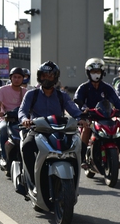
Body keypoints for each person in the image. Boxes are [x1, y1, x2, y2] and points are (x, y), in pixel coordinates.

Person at [17, 61, 86, 195]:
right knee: (26, 147)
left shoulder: (62, 95)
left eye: (50, 76)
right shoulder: (32, 94)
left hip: (59, 130)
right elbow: (22, 111)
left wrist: (81, 118)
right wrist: (25, 120)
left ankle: (73, 180)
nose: (47, 78)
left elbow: (74, 110)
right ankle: (31, 181)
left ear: (55, 77)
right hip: (38, 130)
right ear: (39, 76)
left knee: (81, 147)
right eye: (44, 75)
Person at [73, 58, 120, 166]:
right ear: (88, 73)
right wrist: (84, 109)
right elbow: (77, 101)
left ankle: (116, 155)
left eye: (98, 71)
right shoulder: (83, 87)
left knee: (118, 126)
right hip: (89, 117)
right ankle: (82, 157)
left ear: (102, 73)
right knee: (87, 129)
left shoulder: (107, 88)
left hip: (105, 117)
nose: (96, 74)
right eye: (93, 72)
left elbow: (116, 100)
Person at [0, 67, 27, 167]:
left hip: (21, 120)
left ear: (23, 79)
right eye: (14, 77)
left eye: (19, 77)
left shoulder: (26, 92)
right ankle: (4, 156)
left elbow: (31, 107)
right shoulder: (2, 90)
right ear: (10, 78)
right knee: (2, 129)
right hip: (6, 119)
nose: (17, 79)